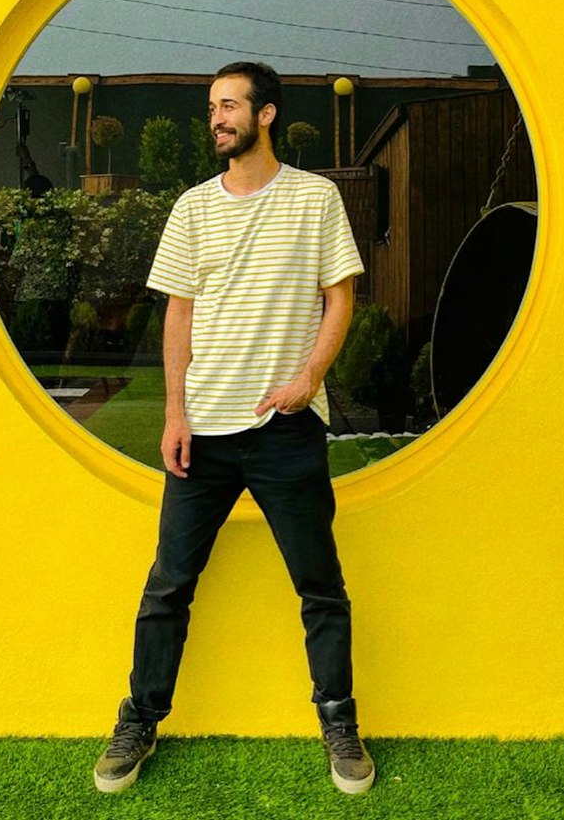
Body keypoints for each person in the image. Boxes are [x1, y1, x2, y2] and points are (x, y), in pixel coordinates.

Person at [94, 61, 375, 796]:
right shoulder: (191, 208)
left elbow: (338, 299)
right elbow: (179, 314)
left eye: (228, 105)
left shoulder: (315, 199)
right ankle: (140, 717)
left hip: (285, 430)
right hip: (204, 434)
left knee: (320, 585)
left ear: (266, 114)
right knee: (168, 585)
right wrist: (175, 415)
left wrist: (308, 379)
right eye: (212, 107)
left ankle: (340, 721)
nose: (216, 118)